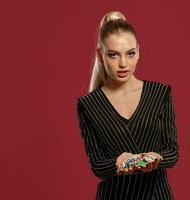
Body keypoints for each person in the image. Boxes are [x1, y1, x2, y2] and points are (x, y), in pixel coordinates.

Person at [76, 10, 179, 200]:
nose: (123, 63)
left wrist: (155, 158)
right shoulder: (89, 104)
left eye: (130, 54)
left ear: (138, 52)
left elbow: (172, 151)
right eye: (114, 55)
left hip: (157, 195)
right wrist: (117, 163)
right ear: (100, 55)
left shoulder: (160, 93)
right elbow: (97, 165)